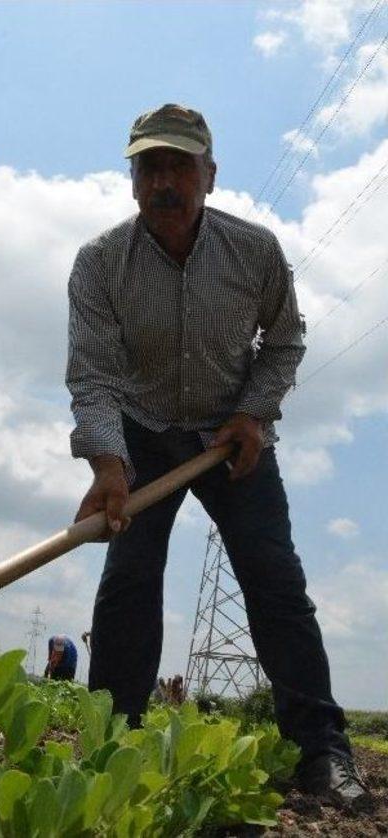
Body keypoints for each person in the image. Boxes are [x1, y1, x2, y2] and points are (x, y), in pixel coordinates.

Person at [65, 104, 370, 809]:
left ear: (210, 173)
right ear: (132, 176)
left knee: (274, 582)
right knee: (129, 578)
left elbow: (285, 342)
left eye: (178, 165)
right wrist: (108, 464)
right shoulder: (100, 263)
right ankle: (114, 744)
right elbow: (94, 376)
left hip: (227, 436)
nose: (163, 181)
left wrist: (254, 413)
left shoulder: (254, 251)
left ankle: (320, 751)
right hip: (141, 431)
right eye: (149, 166)